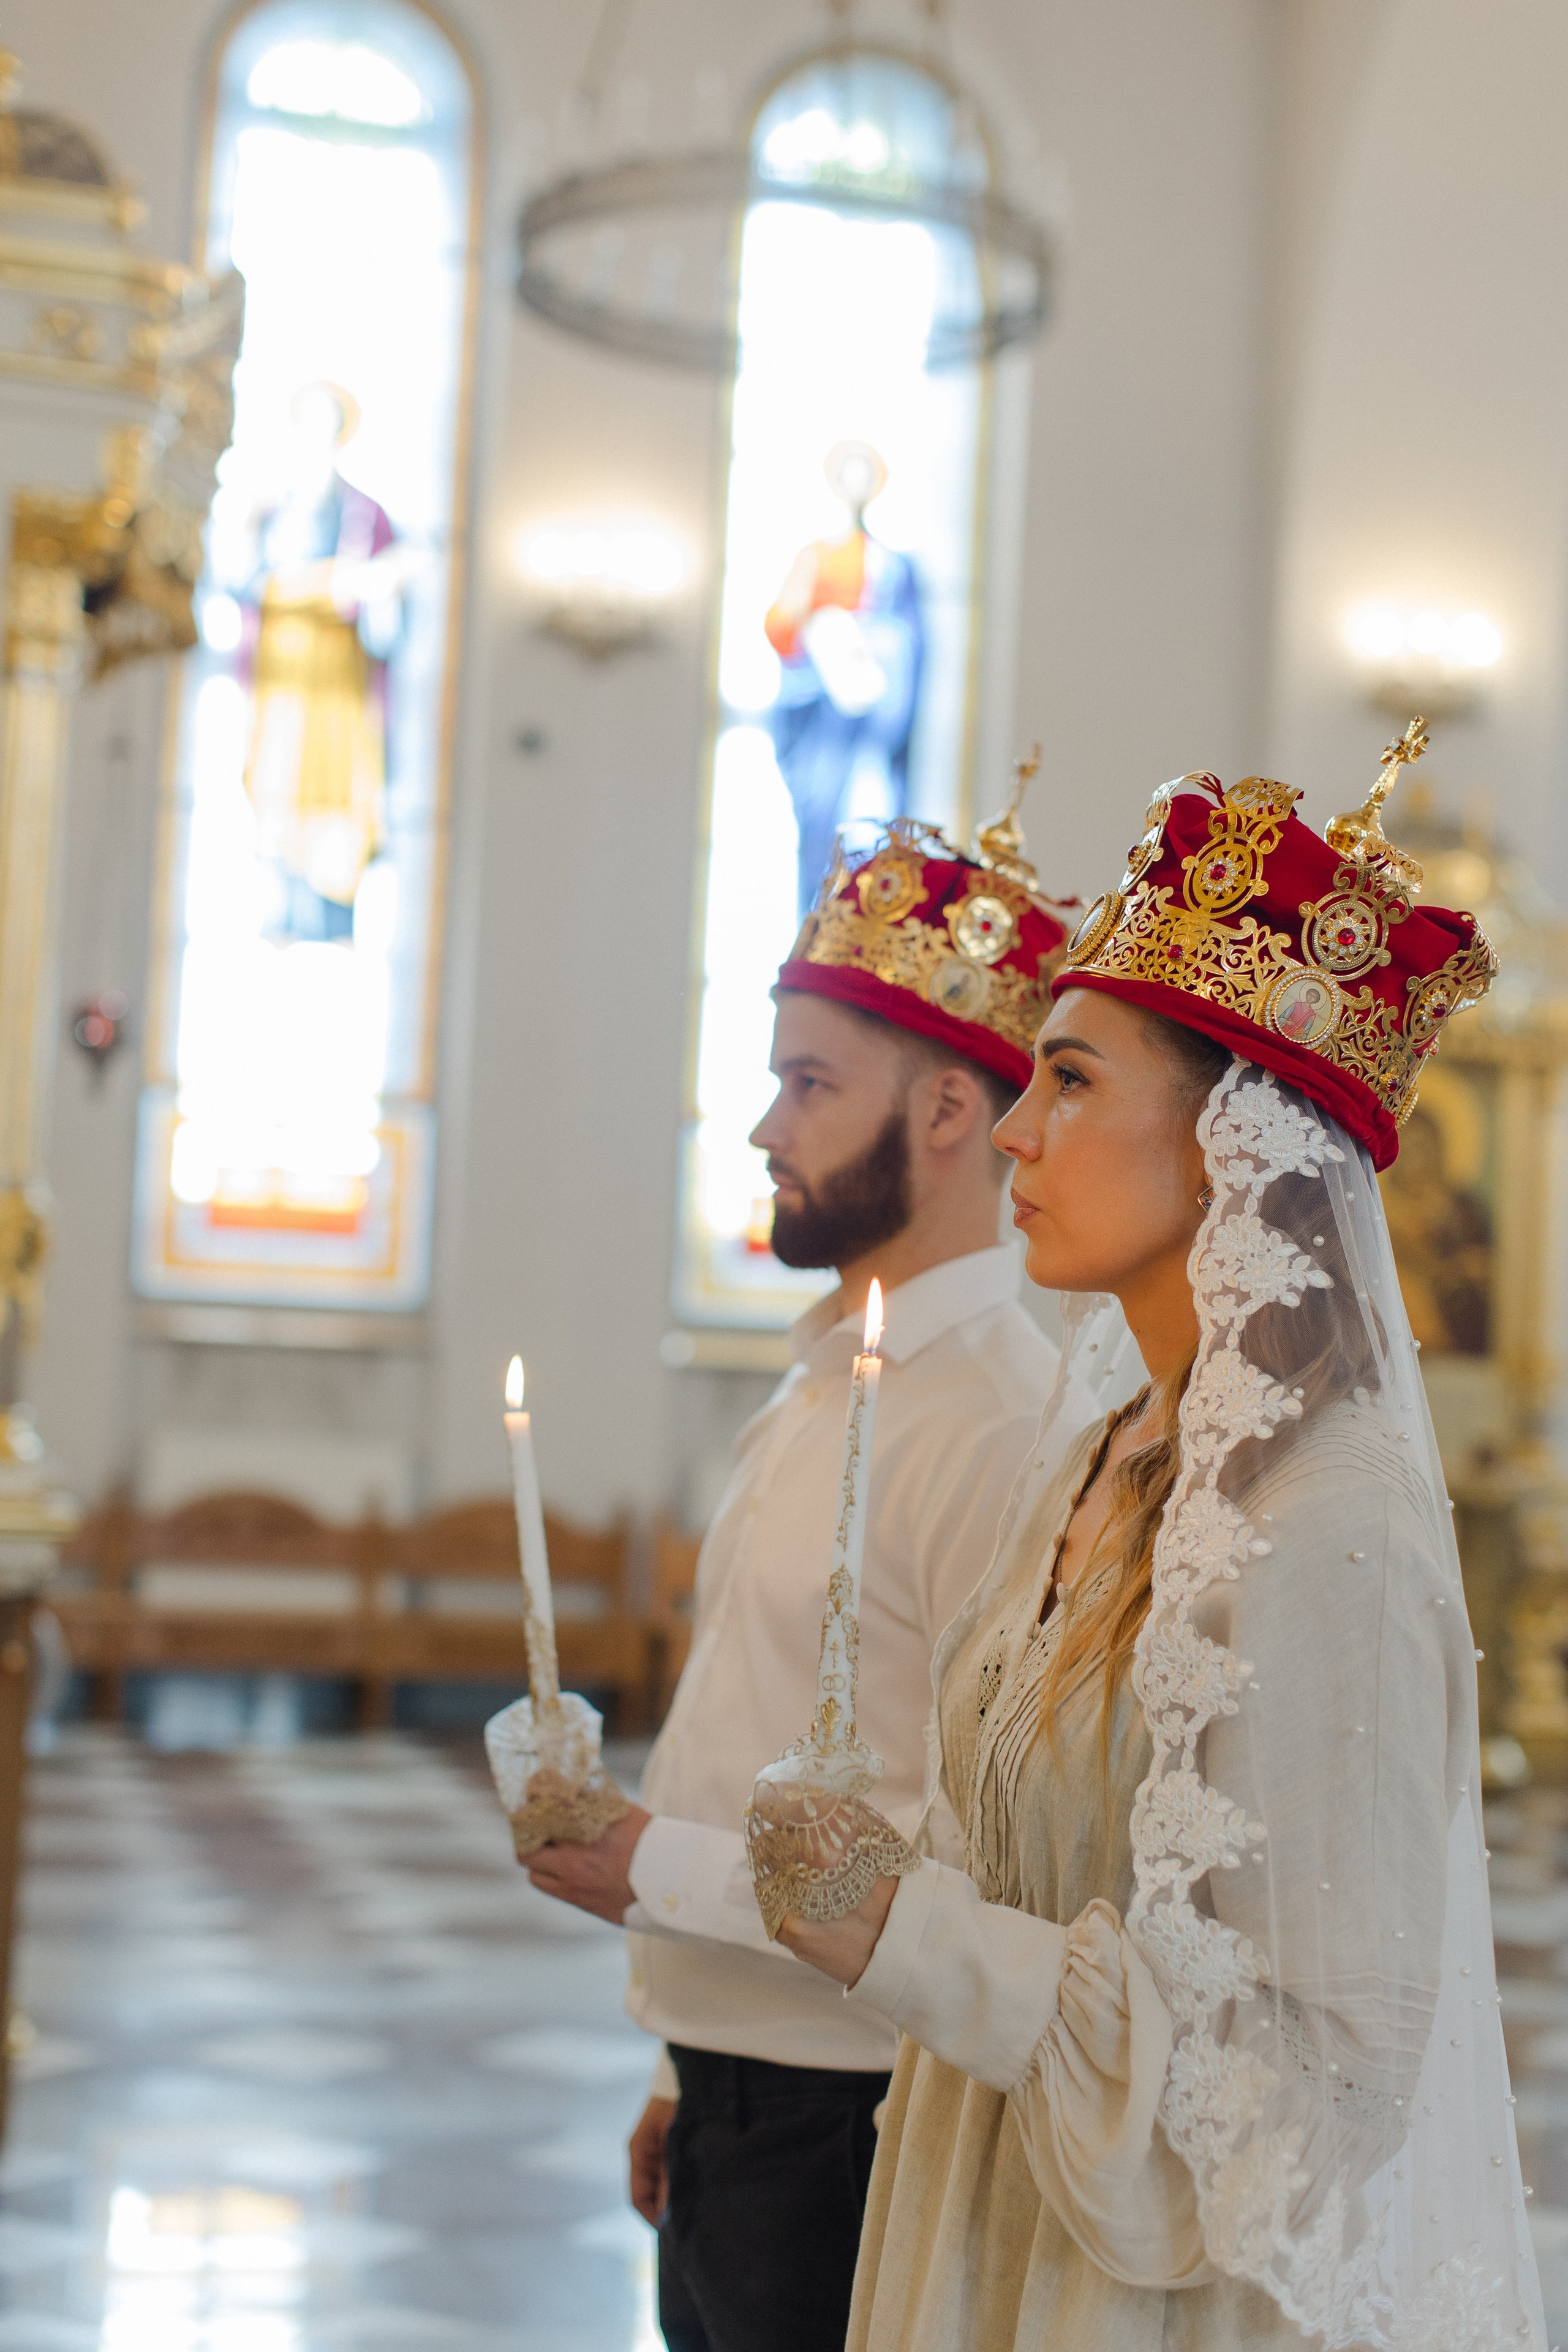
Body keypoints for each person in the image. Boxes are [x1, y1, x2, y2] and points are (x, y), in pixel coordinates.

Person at [757, 739, 1546, 2346]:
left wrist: (907, 1938)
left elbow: (1309, 2087)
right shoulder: (1109, 1451)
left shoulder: (1329, 1524)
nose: (1018, 1138)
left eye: (1070, 1079)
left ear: (1232, 1141)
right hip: (986, 2230)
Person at [526, 802, 1077, 2352]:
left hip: (855, 2110)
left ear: (956, 1107)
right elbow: (763, 1726)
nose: (766, 1126)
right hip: (736, 2086)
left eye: (808, 1083)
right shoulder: (824, 1377)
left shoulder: (991, 1422)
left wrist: (649, 1867)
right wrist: (677, 2060)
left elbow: (976, 1853)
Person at [764, 441, 925, 921]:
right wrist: (824, 631)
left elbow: (910, 638)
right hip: (822, 708)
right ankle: (815, 919)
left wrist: (875, 644)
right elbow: (782, 628)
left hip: (874, 710)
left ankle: (867, 917)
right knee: (822, 823)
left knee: (871, 817)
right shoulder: (815, 556)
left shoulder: (893, 565)